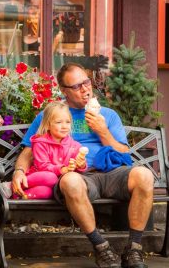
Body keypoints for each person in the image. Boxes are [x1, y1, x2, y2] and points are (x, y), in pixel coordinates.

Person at [12, 63, 153, 268]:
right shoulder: (51, 114)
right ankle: (101, 248)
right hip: (79, 175)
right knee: (69, 181)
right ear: (63, 91)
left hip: (112, 171)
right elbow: (28, 150)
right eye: (77, 86)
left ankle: (134, 250)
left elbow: (124, 155)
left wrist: (102, 130)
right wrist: (18, 172)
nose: (85, 89)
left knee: (144, 175)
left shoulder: (109, 115)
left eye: (86, 82)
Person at [14, 101, 87, 200]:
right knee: (51, 178)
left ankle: (20, 195)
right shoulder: (40, 143)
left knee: (46, 193)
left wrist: (81, 165)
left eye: (68, 122)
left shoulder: (75, 146)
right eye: (58, 122)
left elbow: (77, 168)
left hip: (55, 186)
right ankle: (12, 187)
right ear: (48, 125)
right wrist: (61, 169)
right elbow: (43, 166)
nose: (64, 126)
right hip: (39, 178)